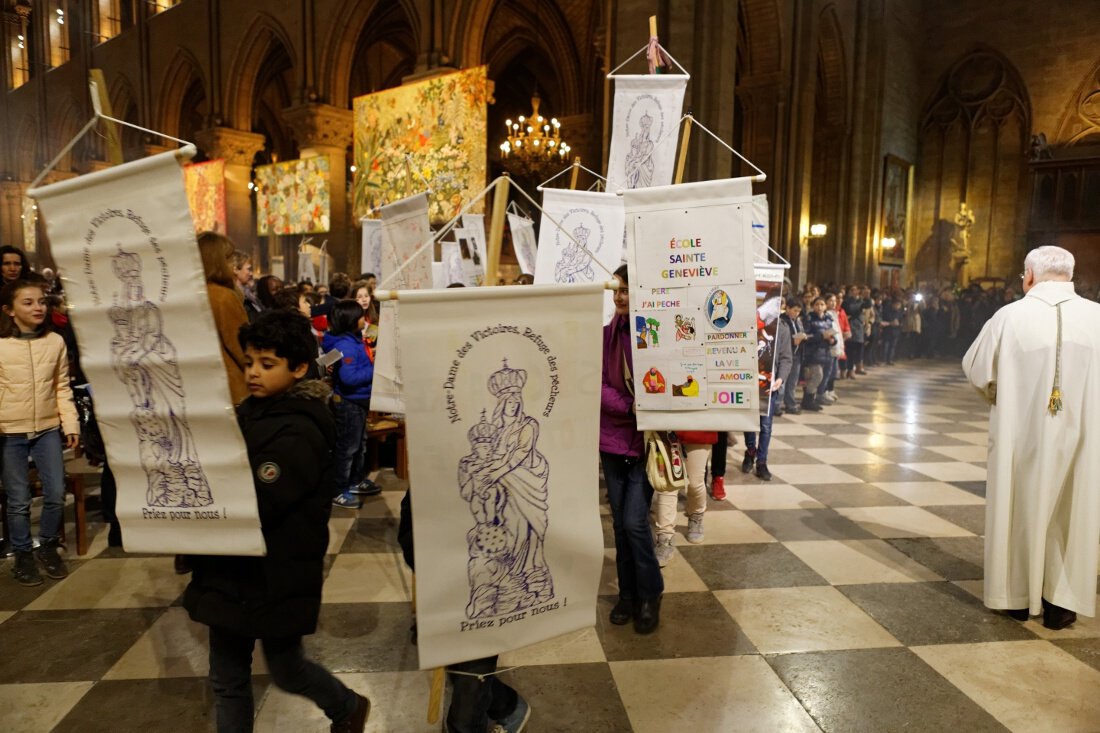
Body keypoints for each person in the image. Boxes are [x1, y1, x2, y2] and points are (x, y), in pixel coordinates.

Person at [183, 310, 370, 733]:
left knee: (288, 670)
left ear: (299, 368)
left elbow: (264, 497)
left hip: (276, 572)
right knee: (227, 680)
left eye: (267, 365)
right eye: (249, 362)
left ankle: (346, 706)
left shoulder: (303, 426)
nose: (253, 372)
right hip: (229, 568)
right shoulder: (249, 412)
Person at [962, 246, 1100, 631]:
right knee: (1071, 511)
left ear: (1029, 275)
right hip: (1083, 436)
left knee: (1019, 505)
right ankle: (1062, 604)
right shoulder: (1097, 318)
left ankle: (1017, 598)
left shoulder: (1010, 316)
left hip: (1019, 434)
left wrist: (1001, 396)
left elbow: (976, 369)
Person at [0, 279, 80, 585]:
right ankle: (22, 553)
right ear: (9, 310)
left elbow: (62, 387)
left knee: (57, 493)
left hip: (47, 428)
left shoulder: (54, 341)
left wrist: (69, 424)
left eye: (41, 302)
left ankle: (47, 545)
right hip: (10, 431)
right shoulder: (2, 345)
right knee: (18, 499)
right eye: (28, 302)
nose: (38, 308)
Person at [600, 264, 663, 634]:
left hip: (647, 441)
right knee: (620, 526)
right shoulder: (606, 335)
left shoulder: (657, 335)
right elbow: (597, 383)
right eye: (617, 289)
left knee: (634, 522)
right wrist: (628, 405)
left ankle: (651, 593)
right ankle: (627, 594)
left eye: (627, 289)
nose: (620, 296)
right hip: (611, 438)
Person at [324, 300, 377, 509]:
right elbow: (349, 378)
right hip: (349, 402)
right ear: (351, 321)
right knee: (347, 447)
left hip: (359, 401)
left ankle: (355, 480)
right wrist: (376, 369)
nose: (364, 320)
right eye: (361, 316)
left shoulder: (352, 340)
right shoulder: (346, 345)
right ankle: (338, 490)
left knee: (359, 444)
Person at [198, 233, 250, 405]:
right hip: (231, 391)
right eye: (229, 258)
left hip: (202, 389)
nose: (232, 265)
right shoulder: (222, 297)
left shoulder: (189, 295)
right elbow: (242, 349)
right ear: (218, 261)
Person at [742, 310, 793, 481]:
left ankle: (761, 461)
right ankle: (750, 451)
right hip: (749, 381)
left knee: (766, 425)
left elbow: (786, 357)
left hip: (769, 384)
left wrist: (780, 378)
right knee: (749, 422)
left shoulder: (783, 328)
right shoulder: (750, 321)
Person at [780, 297, 807, 414]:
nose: (797, 313)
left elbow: (800, 332)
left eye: (798, 311)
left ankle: (790, 404)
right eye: (795, 310)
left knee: (792, 382)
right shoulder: (782, 321)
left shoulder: (798, 321)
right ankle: (777, 405)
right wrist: (792, 341)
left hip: (796, 355)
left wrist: (803, 337)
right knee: (782, 381)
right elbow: (781, 338)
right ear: (787, 308)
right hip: (785, 355)